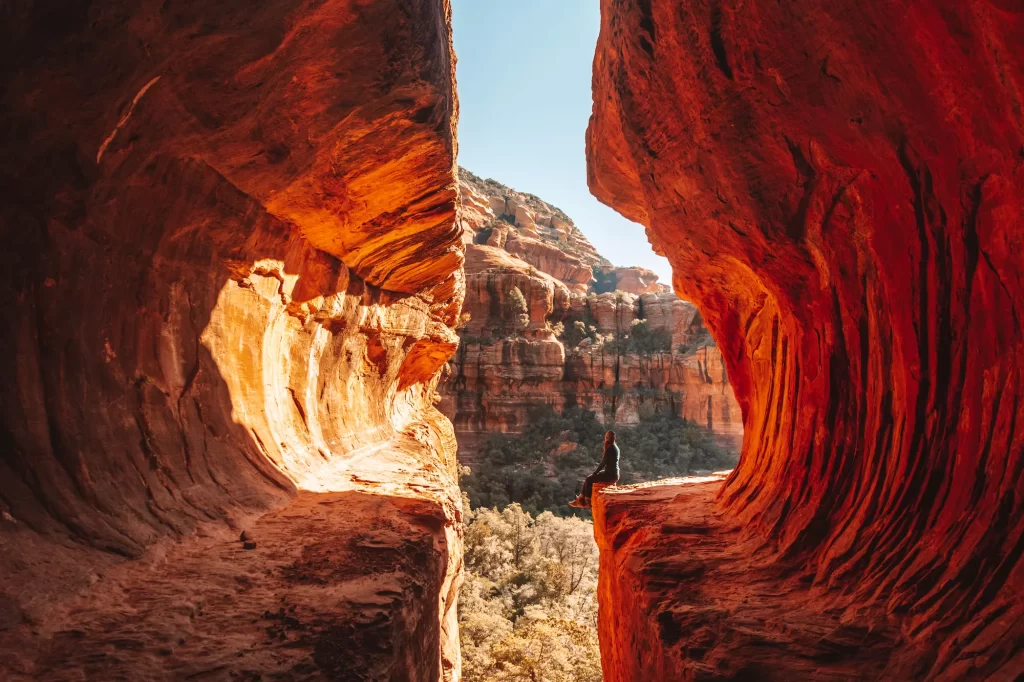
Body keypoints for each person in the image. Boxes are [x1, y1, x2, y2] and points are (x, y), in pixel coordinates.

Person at [569, 430, 619, 508]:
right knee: (588, 478)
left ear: (606, 438)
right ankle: (580, 498)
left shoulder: (610, 449)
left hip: (609, 475)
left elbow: (603, 463)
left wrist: (595, 472)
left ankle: (587, 502)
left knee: (589, 479)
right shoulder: (616, 447)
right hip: (614, 474)